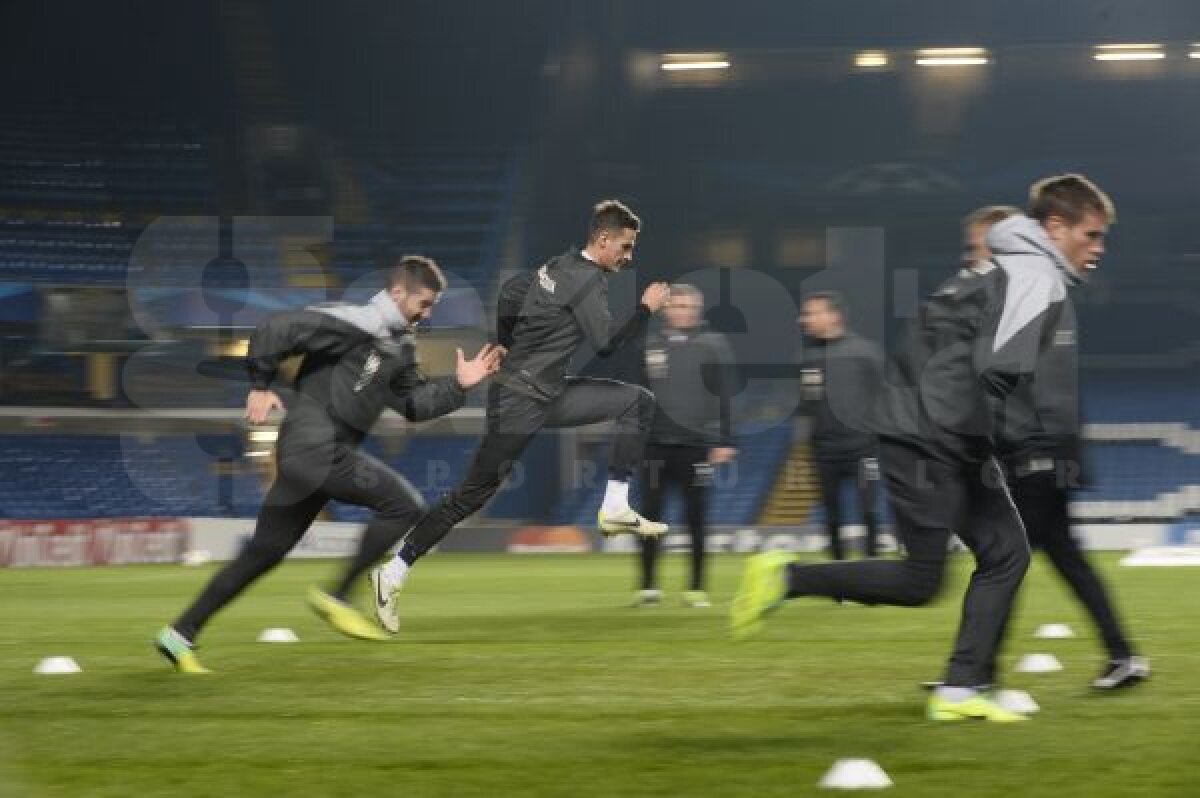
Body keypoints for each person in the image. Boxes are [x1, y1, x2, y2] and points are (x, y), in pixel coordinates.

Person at [732, 174, 1116, 722]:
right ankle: (786, 576)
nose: (1098, 248)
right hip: (932, 438)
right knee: (922, 580)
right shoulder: (1031, 281)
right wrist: (1017, 442)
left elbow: (940, 345)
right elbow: (996, 372)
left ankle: (962, 689)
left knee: (1006, 553)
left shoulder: (994, 273)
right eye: (1092, 235)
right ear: (1056, 227)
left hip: (945, 435)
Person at [155, 256, 503, 673]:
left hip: (318, 460)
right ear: (397, 293)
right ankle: (337, 596)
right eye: (422, 304)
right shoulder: (354, 322)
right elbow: (274, 330)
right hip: (312, 449)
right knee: (405, 506)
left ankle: (179, 634)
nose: (425, 315)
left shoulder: (399, 346)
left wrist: (460, 386)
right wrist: (260, 386)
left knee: (263, 554)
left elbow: (413, 404)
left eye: (431, 308)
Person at [369, 200, 671, 633]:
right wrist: (645, 308)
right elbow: (606, 345)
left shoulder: (559, 264)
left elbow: (512, 293)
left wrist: (505, 342)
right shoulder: (586, 279)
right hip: (520, 401)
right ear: (603, 240)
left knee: (637, 401)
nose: (629, 256)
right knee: (471, 495)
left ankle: (615, 506)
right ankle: (393, 571)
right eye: (625, 246)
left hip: (545, 392)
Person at [961, 203, 1148, 690]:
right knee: (1061, 556)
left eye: (981, 247)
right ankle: (1123, 655)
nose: (977, 257)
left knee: (1006, 559)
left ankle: (975, 674)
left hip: (1038, 451)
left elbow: (1020, 381)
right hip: (1047, 449)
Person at [634, 284, 738, 608]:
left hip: (696, 447)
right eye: (675, 305)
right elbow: (637, 397)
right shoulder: (649, 346)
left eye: (687, 305)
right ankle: (649, 586)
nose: (681, 310)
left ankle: (696, 588)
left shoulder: (714, 346)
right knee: (649, 518)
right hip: (654, 446)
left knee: (697, 518)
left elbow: (725, 395)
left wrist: (724, 439)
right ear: (665, 309)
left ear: (698, 309)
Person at [798, 291, 884, 561]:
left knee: (868, 511)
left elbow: (886, 398)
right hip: (824, 452)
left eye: (812, 313)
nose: (805, 319)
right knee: (832, 515)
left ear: (833, 316)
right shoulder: (808, 357)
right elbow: (807, 404)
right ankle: (840, 579)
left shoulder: (866, 351)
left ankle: (872, 576)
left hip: (862, 449)